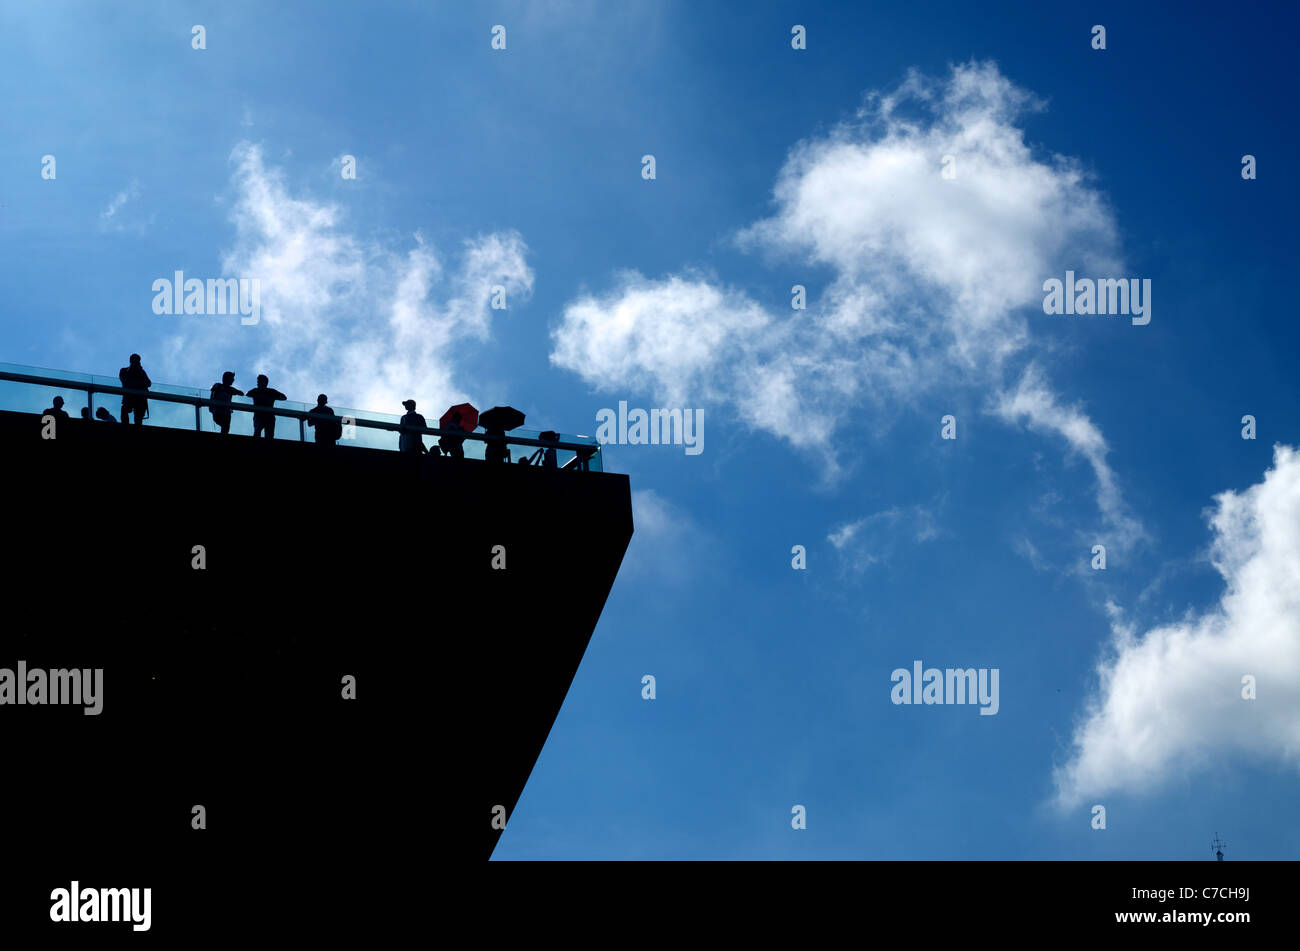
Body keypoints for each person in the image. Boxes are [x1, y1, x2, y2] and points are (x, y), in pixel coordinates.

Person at [245, 374, 287, 439]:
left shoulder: (270, 391)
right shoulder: (256, 390)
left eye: (259, 381)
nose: (258, 383)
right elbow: (248, 394)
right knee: (257, 433)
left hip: (268, 417)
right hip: (259, 416)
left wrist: (272, 397)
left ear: (265, 382)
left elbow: (284, 397)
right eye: (258, 381)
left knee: (268, 435)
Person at [118, 354, 151, 424]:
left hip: (140, 400)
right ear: (130, 361)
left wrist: (139, 372)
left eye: (137, 360)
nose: (136, 362)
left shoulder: (141, 372)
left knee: (138, 419)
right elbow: (124, 380)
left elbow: (148, 383)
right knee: (124, 411)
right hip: (128, 398)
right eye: (134, 360)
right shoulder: (124, 370)